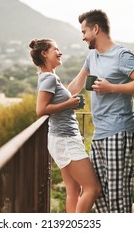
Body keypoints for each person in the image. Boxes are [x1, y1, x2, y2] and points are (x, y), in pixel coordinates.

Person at [67, 9, 134, 213]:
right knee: (96, 191)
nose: (83, 37)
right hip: (100, 133)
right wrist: (52, 99)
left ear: (95, 29)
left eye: (84, 31)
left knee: (117, 195)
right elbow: (76, 85)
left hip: (119, 130)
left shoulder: (121, 55)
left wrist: (112, 87)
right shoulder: (92, 56)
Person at [29, 38, 101, 213]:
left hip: (61, 139)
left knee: (73, 191)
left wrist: (71, 104)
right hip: (65, 140)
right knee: (93, 188)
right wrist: (69, 104)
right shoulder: (49, 79)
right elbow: (41, 109)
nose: (60, 52)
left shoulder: (49, 77)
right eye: (56, 49)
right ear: (44, 53)